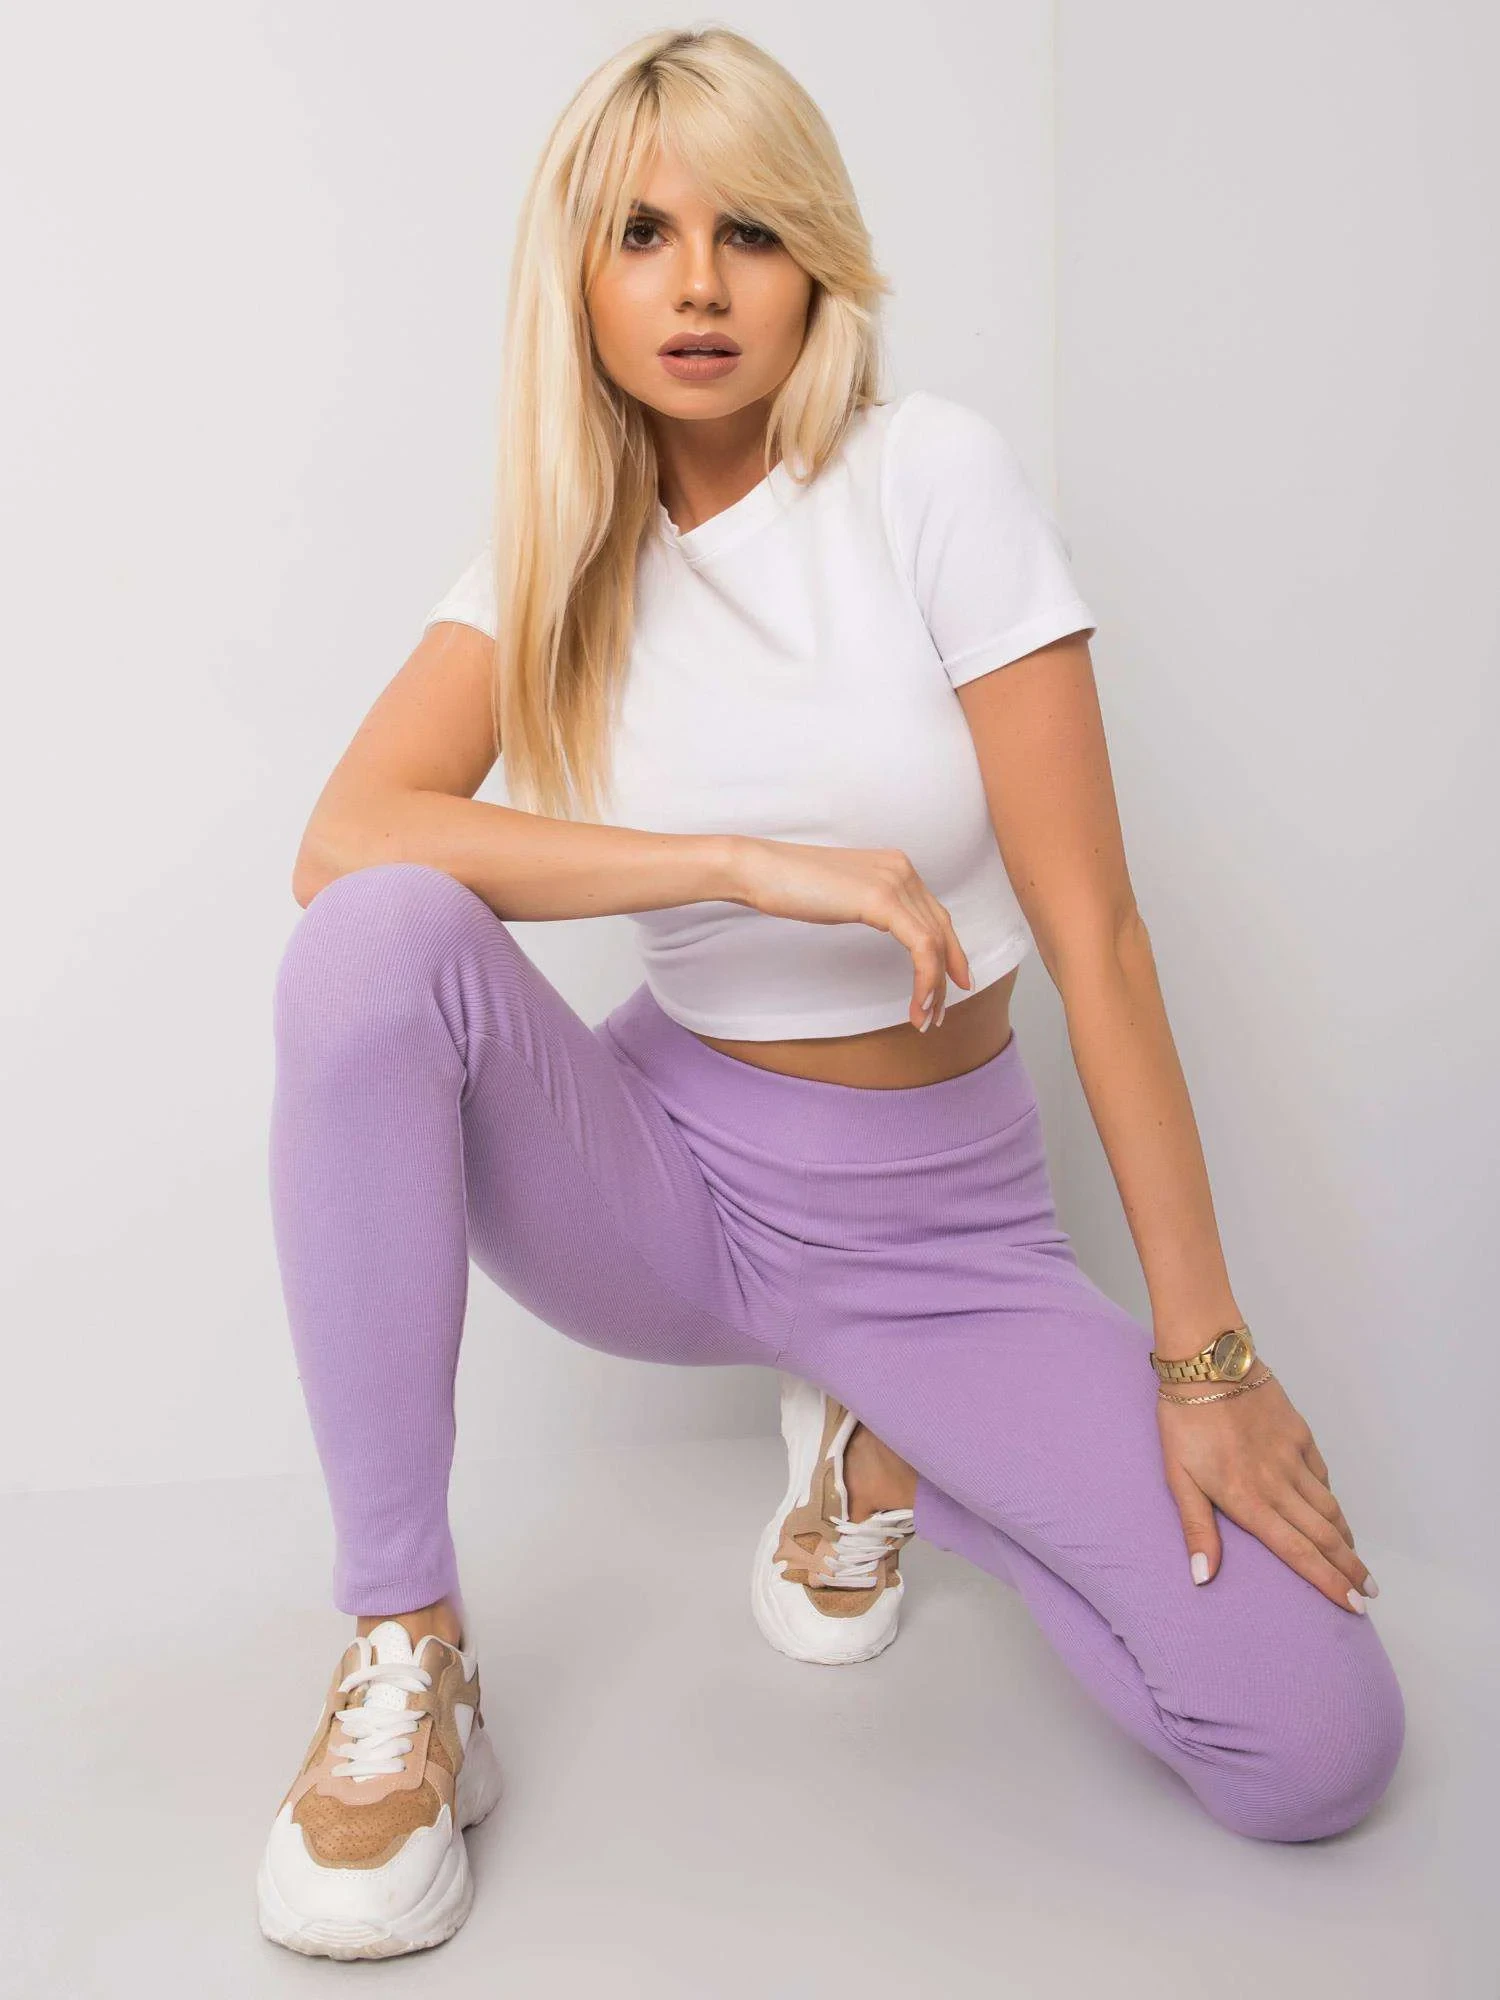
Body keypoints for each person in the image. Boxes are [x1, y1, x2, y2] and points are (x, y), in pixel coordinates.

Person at [255, 24, 1405, 1962]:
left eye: (751, 231)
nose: (698, 284)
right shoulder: (555, 557)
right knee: (375, 938)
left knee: (1316, 1747)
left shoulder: (925, 479)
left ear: (818, 261)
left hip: (937, 1238)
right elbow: (345, 836)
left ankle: (885, 1450)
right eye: (643, 234)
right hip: (657, 1185)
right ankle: (407, 1641)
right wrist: (731, 861)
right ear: (580, 276)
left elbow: (1100, 935)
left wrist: (1203, 1359)